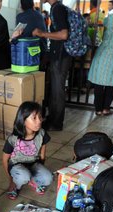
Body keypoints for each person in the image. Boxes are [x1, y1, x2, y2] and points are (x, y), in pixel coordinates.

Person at [32, 0, 71, 131]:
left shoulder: (57, 9)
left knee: (57, 90)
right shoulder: (56, 8)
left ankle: (56, 123)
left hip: (61, 57)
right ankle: (53, 119)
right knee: (55, 90)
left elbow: (64, 34)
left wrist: (42, 33)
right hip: (59, 55)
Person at [2, 101, 52, 200]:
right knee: (23, 176)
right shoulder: (13, 139)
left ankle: (32, 180)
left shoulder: (41, 133)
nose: (39, 121)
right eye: (34, 118)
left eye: (40, 117)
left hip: (33, 164)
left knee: (48, 178)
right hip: (17, 166)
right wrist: (11, 180)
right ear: (23, 120)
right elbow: (4, 160)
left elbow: (42, 155)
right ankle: (16, 186)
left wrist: (40, 169)